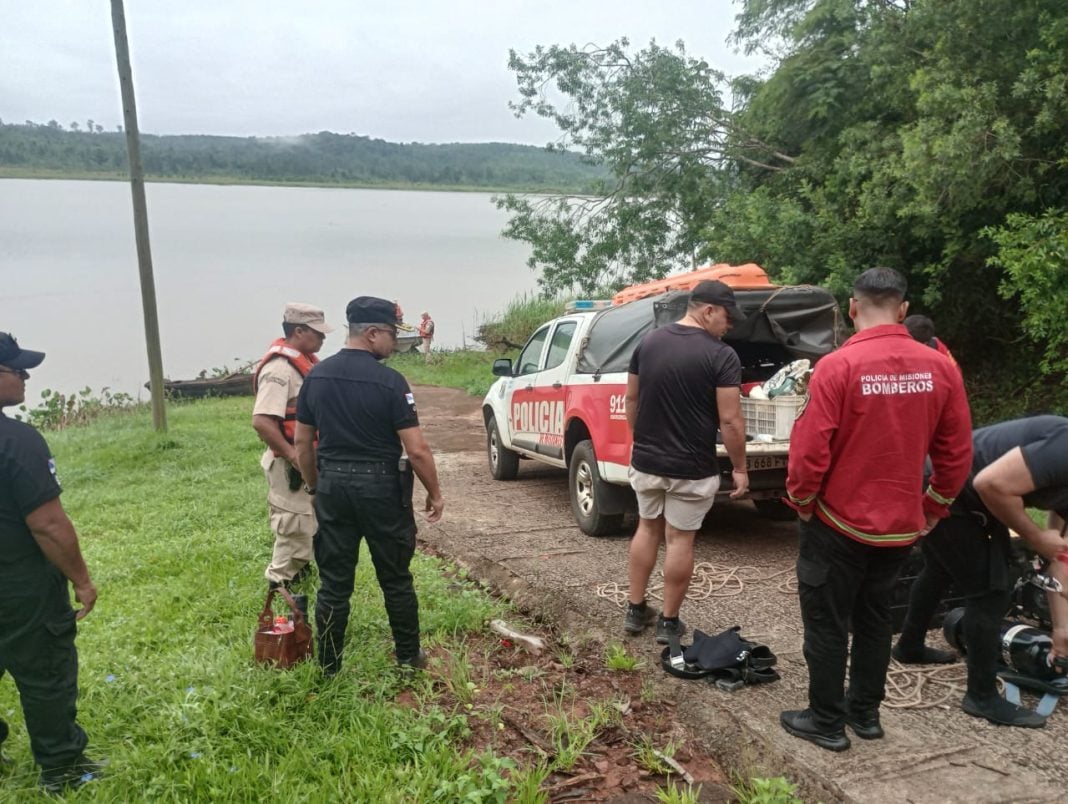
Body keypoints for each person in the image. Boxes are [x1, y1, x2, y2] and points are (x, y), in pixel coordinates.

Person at [781, 267, 972, 752]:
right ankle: (865, 715)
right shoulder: (941, 367)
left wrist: (802, 503)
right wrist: (934, 507)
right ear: (903, 309)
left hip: (835, 523)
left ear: (852, 307)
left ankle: (826, 721)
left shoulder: (836, 367)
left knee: (826, 623)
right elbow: (956, 453)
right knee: (874, 620)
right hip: (898, 528)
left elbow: (808, 452)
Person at [294, 296, 445, 676]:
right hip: (381, 488)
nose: (394, 343)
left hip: (332, 487)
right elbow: (417, 449)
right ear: (372, 333)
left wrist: (315, 488)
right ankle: (409, 659)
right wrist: (434, 492)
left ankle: (329, 667)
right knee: (395, 578)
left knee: (334, 583)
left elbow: (302, 444)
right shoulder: (390, 382)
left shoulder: (316, 376)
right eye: (391, 335)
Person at [893, 415, 1068, 728]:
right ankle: (981, 696)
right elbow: (990, 484)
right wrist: (1035, 537)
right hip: (949, 489)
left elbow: (1060, 556)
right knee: (990, 592)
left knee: (938, 569)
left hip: (951, 484)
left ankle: (909, 645)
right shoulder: (1064, 447)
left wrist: (1061, 631)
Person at [0, 332, 104, 793]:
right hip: (19, 583)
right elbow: (48, 525)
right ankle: (62, 768)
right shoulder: (17, 441)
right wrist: (80, 579)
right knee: (45, 673)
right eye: (17, 369)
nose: (25, 377)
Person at [623, 280, 750, 643]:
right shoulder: (721, 355)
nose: (728, 327)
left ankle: (634, 611)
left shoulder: (647, 343)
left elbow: (631, 400)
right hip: (691, 467)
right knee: (679, 540)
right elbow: (730, 420)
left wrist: (642, 441)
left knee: (647, 528)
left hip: (647, 461)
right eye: (727, 318)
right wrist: (740, 468)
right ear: (707, 310)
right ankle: (667, 621)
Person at [252, 303, 333, 590]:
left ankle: (301, 575)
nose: (323, 339)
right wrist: (293, 456)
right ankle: (280, 583)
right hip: (290, 466)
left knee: (311, 520)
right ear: (298, 331)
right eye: (317, 333)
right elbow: (262, 421)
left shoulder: (306, 363)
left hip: (307, 460)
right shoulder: (279, 370)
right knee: (294, 525)